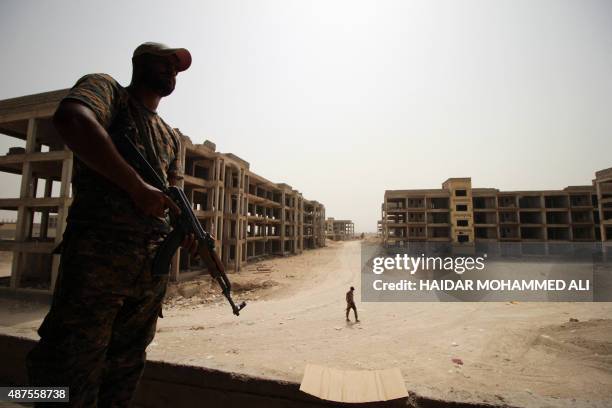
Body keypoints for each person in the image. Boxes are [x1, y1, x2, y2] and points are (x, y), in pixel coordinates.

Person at [26, 42, 198, 407]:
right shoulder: (109, 92)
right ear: (139, 63)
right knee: (67, 371)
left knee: (123, 371)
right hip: (97, 264)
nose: (172, 71)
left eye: (177, 67)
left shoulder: (171, 137)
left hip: (147, 278)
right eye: (164, 62)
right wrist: (136, 186)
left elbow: (175, 199)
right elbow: (72, 119)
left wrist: (193, 234)